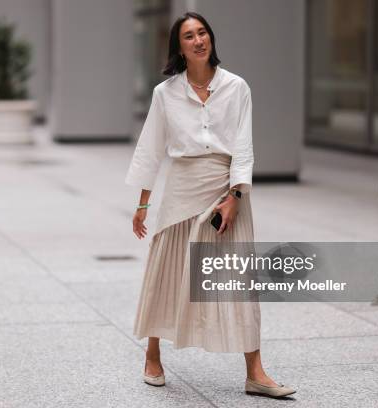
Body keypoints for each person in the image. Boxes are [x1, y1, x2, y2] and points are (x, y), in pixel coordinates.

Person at [125, 12, 296, 398]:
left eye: (203, 32)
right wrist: (142, 206)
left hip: (226, 186)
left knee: (239, 279)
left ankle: (255, 372)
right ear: (179, 47)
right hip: (182, 188)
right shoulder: (165, 93)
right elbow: (150, 150)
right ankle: (152, 354)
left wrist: (236, 196)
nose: (199, 40)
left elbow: (244, 146)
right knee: (165, 272)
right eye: (189, 36)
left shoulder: (237, 87)